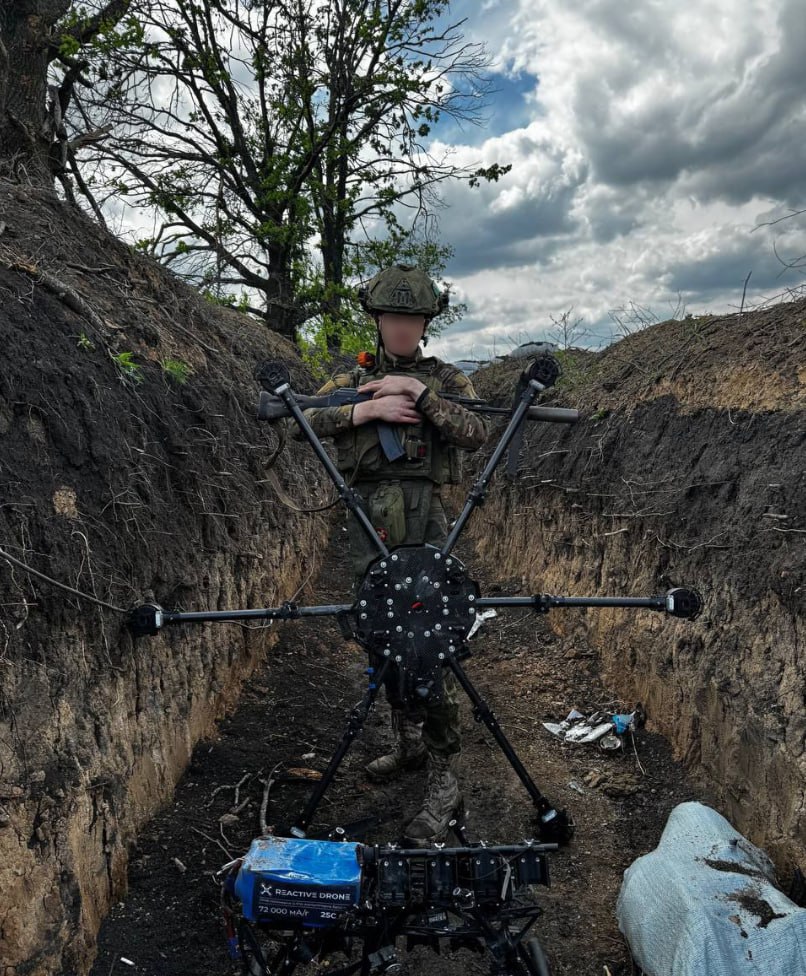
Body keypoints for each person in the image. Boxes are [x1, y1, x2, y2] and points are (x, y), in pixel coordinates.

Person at [302, 263, 489, 844]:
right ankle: (406, 742)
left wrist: (417, 394)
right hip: (366, 519)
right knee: (378, 633)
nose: (402, 328)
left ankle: (443, 772)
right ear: (377, 320)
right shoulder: (351, 378)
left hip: (427, 520)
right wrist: (366, 411)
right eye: (393, 318)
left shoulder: (447, 378)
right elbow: (302, 420)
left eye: (412, 318)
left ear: (425, 323)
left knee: (429, 638)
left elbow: (476, 429)